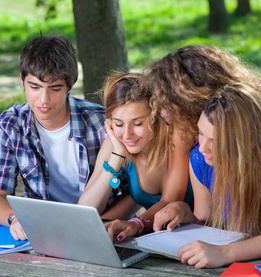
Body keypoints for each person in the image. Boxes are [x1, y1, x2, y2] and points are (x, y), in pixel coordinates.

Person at [146, 44, 261, 263]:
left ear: (196, 100)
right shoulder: (198, 141)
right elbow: (205, 215)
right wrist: (183, 212)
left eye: (168, 102)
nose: (162, 112)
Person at [0, 34, 132, 240]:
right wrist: (15, 218)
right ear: (22, 80)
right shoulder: (9, 125)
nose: (43, 100)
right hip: (41, 232)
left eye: (55, 88)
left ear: (70, 85)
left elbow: (131, 192)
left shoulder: (101, 123)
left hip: (99, 226)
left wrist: (100, 225)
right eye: (35, 87)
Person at [78, 72, 194, 241]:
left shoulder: (176, 137)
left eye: (137, 123)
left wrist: (136, 224)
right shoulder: (116, 143)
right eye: (118, 124)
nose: (127, 135)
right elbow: (86, 209)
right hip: (161, 242)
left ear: (155, 117)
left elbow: (170, 200)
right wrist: (117, 155)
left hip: (202, 234)